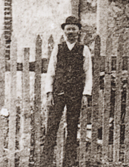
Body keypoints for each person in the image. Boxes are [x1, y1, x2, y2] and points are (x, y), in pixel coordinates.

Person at [43, 16, 93, 167]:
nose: (71, 32)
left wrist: (85, 94)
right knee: (52, 126)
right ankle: (46, 162)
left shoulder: (84, 50)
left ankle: (69, 163)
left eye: (74, 28)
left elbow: (88, 73)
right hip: (58, 92)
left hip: (75, 93)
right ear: (64, 31)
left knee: (72, 128)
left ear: (79, 31)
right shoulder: (58, 49)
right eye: (68, 29)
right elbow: (51, 72)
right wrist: (49, 92)